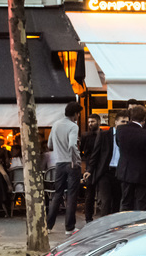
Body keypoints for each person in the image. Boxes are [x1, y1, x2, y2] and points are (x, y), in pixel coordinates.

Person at [46, 101, 83, 235]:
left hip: (59, 163)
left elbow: (49, 144)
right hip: (71, 163)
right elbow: (73, 145)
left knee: (57, 194)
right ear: (75, 114)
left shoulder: (55, 124)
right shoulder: (73, 126)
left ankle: (49, 226)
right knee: (72, 195)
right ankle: (69, 227)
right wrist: (75, 159)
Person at [83, 110, 130, 217]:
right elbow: (95, 154)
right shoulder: (104, 135)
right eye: (123, 122)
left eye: (127, 122)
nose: (125, 124)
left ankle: (115, 226)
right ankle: (104, 227)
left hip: (120, 173)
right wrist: (89, 170)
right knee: (106, 200)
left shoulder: (126, 136)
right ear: (116, 122)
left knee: (117, 201)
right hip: (105, 172)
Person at [117, 105, 146, 211]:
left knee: (126, 202)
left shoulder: (120, 130)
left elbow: (119, 145)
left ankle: (125, 225)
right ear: (144, 119)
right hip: (142, 174)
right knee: (141, 203)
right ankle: (138, 225)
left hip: (125, 171)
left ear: (130, 117)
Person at [80, 113, 101, 223]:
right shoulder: (85, 135)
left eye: (92, 121)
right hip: (89, 166)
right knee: (89, 194)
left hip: (101, 166)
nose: (90, 124)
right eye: (89, 122)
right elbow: (81, 152)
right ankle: (88, 218)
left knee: (103, 193)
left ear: (98, 121)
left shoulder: (103, 134)